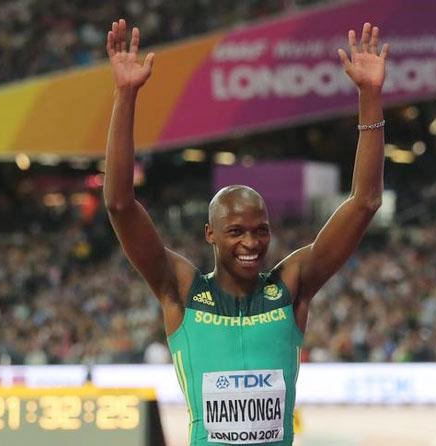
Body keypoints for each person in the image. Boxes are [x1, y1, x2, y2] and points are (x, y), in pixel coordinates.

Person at [104, 19, 388, 445]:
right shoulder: (180, 290)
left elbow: (364, 202)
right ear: (210, 234)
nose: (251, 243)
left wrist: (370, 97)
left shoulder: (292, 286)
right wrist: (125, 95)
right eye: (235, 231)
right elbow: (120, 204)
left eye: (261, 230)